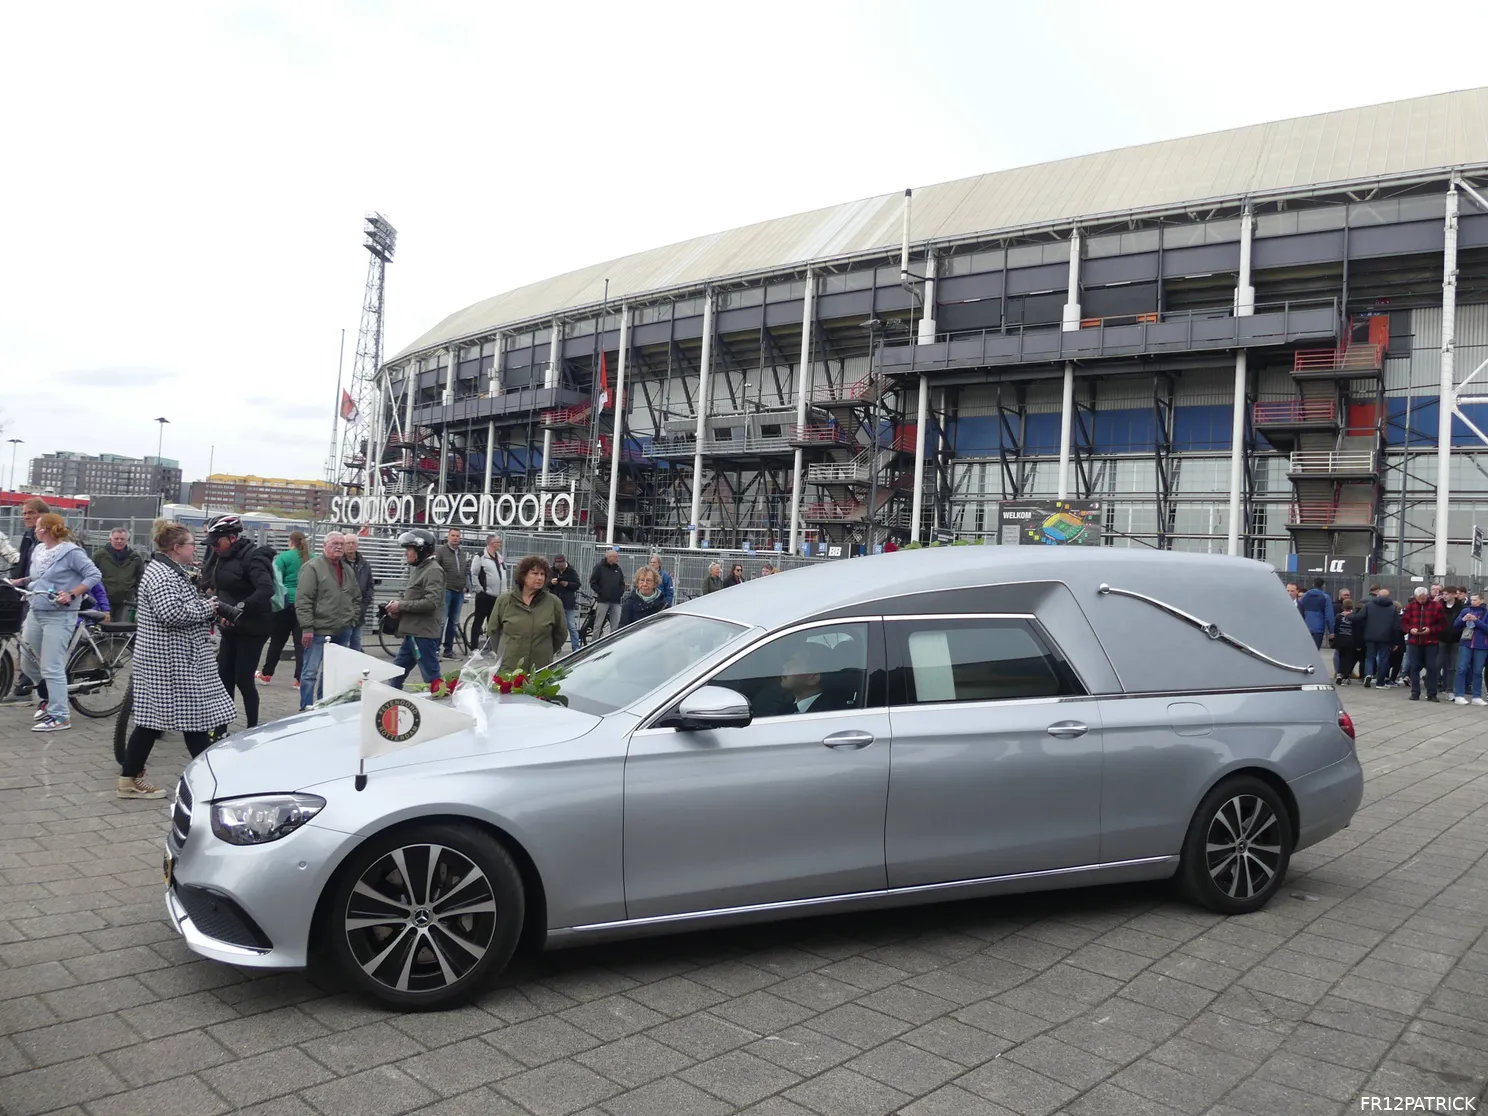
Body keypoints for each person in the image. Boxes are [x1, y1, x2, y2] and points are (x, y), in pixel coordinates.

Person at [118, 521, 237, 799]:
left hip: (171, 659)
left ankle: (129, 779)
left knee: (153, 721)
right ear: (176, 548)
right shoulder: (162, 575)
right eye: (192, 544)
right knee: (191, 720)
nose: (196, 547)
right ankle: (216, 780)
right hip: (170, 661)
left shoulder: (168, 570)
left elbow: (177, 609)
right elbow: (172, 614)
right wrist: (208, 607)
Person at [7, 513, 103, 731]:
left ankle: (61, 716)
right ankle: (49, 698)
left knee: (52, 666)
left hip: (59, 615)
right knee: (28, 663)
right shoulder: (39, 550)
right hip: (36, 610)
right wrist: (19, 581)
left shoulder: (71, 552)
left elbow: (94, 575)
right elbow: (38, 577)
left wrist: (71, 593)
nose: (34, 529)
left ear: (47, 529)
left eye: (38, 526)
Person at [200, 514, 276, 731]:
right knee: (224, 677)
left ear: (232, 538)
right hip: (230, 625)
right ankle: (221, 728)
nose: (213, 546)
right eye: (211, 543)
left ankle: (252, 728)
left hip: (254, 626)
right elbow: (213, 584)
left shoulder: (253, 557)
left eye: (217, 542)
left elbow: (266, 588)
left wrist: (240, 608)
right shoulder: (220, 556)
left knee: (244, 679)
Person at [294, 532, 361, 710]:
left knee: (331, 674)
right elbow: (303, 600)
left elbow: (356, 596)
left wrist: (352, 619)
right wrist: (307, 627)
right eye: (334, 543)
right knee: (310, 673)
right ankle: (306, 709)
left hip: (342, 629)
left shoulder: (347, 569)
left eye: (342, 543)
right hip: (318, 630)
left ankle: (324, 707)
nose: (339, 546)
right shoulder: (312, 568)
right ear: (324, 546)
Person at [386, 529, 446, 689]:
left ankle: (444, 708)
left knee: (433, 678)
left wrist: (401, 605)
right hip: (413, 633)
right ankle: (390, 706)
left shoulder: (433, 570)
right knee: (395, 674)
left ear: (421, 549)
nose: (406, 554)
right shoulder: (421, 569)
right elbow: (415, 598)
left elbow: (430, 602)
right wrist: (398, 608)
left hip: (423, 636)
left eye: (409, 549)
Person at [487, 555, 568, 670]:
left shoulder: (553, 602)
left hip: (540, 668)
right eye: (534, 573)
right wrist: (505, 655)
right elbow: (493, 631)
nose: (540, 578)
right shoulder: (505, 600)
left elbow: (561, 634)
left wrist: (545, 652)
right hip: (510, 668)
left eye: (542, 574)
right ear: (523, 576)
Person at [260, 530, 309, 685]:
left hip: (285, 602)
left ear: (290, 541)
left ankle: (267, 674)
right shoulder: (313, 558)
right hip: (304, 604)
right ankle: (300, 679)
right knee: (301, 644)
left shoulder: (283, 558)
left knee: (277, 641)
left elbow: (275, 579)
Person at [1400, 585, 1446, 701]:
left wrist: (1431, 630)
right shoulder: (1410, 607)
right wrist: (1410, 629)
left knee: (1432, 667)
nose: (1421, 600)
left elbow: (1442, 624)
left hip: (1431, 641)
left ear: (1427, 596)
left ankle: (1432, 693)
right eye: (1419, 598)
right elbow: (1403, 623)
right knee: (1414, 668)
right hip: (1414, 642)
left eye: (1423, 598)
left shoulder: (1436, 606)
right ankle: (1415, 692)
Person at [91, 527, 144, 622]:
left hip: (126, 601)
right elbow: (91, 576)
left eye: (122, 539)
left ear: (127, 540)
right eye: (116, 538)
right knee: (103, 629)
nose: (119, 541)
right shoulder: (99, 556)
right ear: (110, 539)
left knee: (122, 629)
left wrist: (138, 596)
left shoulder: (135, 557)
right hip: (104, 601)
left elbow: (140, 578)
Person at [436, 528, 469, 658]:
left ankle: (448, 650)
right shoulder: (441, 551)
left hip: (459, 591)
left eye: (458, 536)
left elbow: (466, 570)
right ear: (448, 537)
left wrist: (466, 585)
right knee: (442, 621)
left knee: (453, 622)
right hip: (446, 590)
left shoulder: (461, 553)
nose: (455, 538)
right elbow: (435, 568)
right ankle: (435, 649)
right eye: (453, 535)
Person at [469, 534, 507, 643]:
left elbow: (502, 574)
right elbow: (474, 574)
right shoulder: (480, 556)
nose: (500, 544)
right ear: (492, 543)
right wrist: (480, 590)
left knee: (492, 622)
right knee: (479, 620)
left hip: (497, 596)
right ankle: (474, 648)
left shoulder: (499, 557)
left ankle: (490, 646)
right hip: (485, 595)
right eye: (498, 542)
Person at [1452, 592, 1488, 705]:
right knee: (1462, 669)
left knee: (1477, 671)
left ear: (1482, 600)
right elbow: (1455, 625)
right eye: (1471, 600)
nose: (1472, 602)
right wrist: (1463, 620)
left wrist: (1476, 621)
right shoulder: (1465, 611)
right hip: (1466, 643)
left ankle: (1476, 696)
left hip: (1481, 645)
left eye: (1475, 600)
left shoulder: (1486, 613)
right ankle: (1459, 695)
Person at [342, 534, 375, 652]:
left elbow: (370, 586)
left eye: (353, 543)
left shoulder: (364, 564)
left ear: (357, 545)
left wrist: (364, 604)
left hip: (359, 610)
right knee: (342, 641)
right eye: (348, 543)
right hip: (343, 611)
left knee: (356, 641)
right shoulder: (339, 563)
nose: (351, 546)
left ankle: (355, 667)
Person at [1361, 586, 1398, 689]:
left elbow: (1360, 617)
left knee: (1369, 657)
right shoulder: (1392, 608)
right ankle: (1380, 682)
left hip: (1370, 635)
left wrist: (1348, 616)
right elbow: (1396, 626)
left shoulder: (1368, 606)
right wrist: (1395, 641)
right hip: (1385, 637)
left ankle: (1368, 674)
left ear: (1377, 595)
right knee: (1383, 659)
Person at [589, 547, 626, 638]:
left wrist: (620, 592)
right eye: (615, 557)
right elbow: (593, 582)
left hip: (616, 600)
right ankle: (594, 642)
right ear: (609, 557)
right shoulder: (599, 567)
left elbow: (622, 582)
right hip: (603, 600)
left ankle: (613, 642)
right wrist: (601, 592)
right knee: (598, 624)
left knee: (616, 625)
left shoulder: (618, 568)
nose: (617, 559)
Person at [549, 554, 582, 651]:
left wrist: (567, 584)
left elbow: (577, 584)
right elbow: (545, 583)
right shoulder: (552, 571)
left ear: (564, 563)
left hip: (568, 602)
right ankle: (556, 647)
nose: (560, 568)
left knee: (571, 626)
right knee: (554, 626)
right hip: (554, 602)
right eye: (557, 565)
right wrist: (551, 583)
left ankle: (575, 647)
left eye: (561, 565)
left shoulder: (571, 571)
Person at [1439, 586, 1466, 696]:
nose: (1444, 596)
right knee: (1438, 663)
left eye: (1447, 594)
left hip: (1455, 639)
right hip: (1441, 638)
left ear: (1454, 595)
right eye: (1443, 594)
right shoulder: (1440, 606)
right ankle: (1436, 686)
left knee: (1452, 665)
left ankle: (1449, 689)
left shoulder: (1461, 608)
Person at [1297, 579, 1334, 650]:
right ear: (1323, 586)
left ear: (1313, 584)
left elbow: (1300, 612)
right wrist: (1331, 632)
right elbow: (1329, 616)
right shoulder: (1325, 597)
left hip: (1306, 628)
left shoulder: (1304, 596)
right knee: (1315, 652)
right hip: (1318, 630)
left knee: (1305, 651)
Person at [1333, 600, 1359, 685]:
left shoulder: (1338, 616)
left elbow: (1335, 628)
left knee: (1341, 657)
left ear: (1343, 607)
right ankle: (1346, 676)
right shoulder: (1355, 617)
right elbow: (1356, 630)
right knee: (1349, 659)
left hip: (1341, 640)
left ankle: (1339, 674)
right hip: (1350, 640)